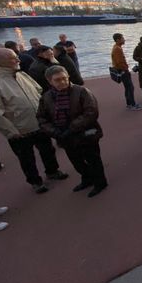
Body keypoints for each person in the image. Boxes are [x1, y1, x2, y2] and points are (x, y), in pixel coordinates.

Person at [0, 48, 68, 193]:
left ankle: (52, 171)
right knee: (26, 158)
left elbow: (37, 90)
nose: (18, 60)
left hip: (38, 123)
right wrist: (11, 131)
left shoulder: (20, 74)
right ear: (1, 62)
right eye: (14, 58)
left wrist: (45, 115)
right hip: (19, 131)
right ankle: (35, 182)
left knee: (48, 149)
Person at [37, 66, 108, 197]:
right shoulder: (46, 98)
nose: (62, 82)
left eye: (64, 78)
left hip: (86, 134)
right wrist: (55, 132)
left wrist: (71, 128)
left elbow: (91, 112)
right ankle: (86, 178)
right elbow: (42, 118)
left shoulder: (81, 91)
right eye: (57, 80)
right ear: (49, 81)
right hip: (64, 137)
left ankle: (100, 182)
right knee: (76, 161)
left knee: (93, 160)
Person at [112, 33, 142, 110]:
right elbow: (119, 62)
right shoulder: (117, 49)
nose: (124, 39)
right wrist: (125, 69)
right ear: (118, 40)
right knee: (130, 87)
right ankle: (132, 105)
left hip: (122, 71)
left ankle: (129, 104)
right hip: (123, 71)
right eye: (122, 38)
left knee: (127, 88)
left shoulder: (116, 47)